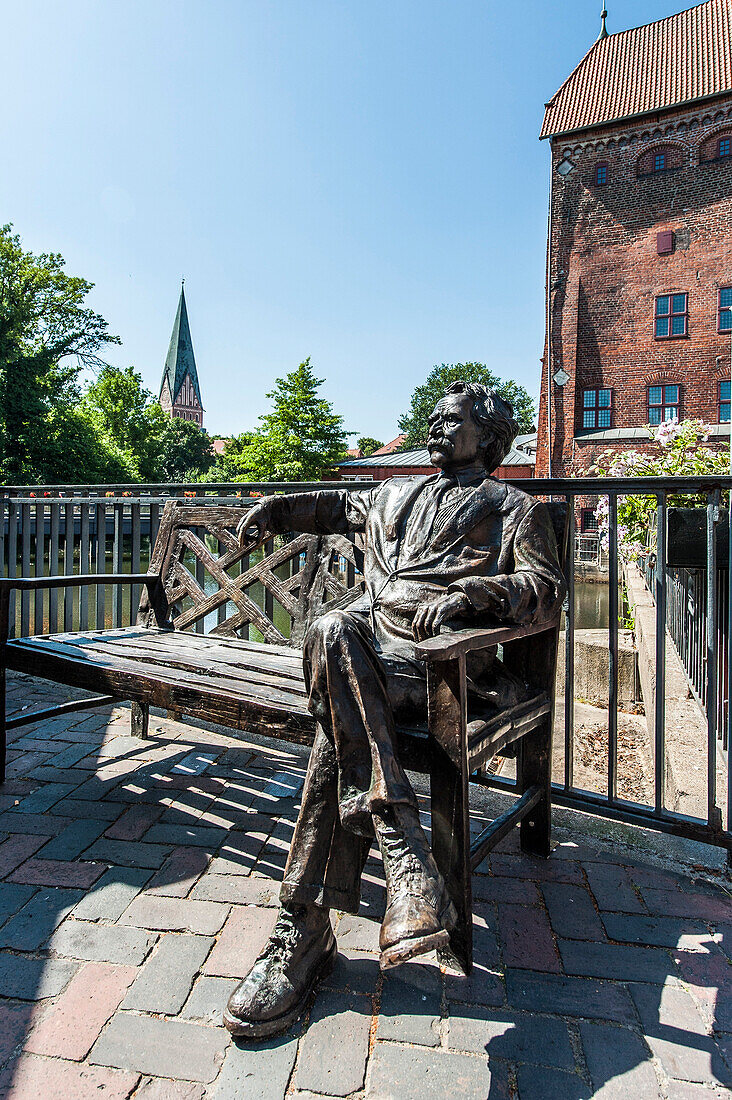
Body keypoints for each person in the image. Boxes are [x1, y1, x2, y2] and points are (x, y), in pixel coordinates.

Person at [224, 380, 565, 1039]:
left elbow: (543, 591)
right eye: (432, 417)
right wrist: (273, 507)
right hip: (372, 662)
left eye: (452, 420)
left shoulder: (511, 507)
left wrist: (473, 595)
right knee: (333, 639)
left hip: (446, 671)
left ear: (489, 439)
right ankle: (400, 847)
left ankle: (305, 929)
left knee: (338, 707)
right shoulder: (392, 493)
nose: (435, 427)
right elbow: (330, 504)